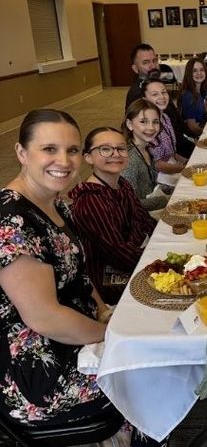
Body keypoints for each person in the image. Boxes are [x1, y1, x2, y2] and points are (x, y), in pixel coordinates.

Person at [0, 110, 118, 428]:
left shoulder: (55, 202)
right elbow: (44, 317)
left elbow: (78, 271)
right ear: (22, 153)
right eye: (49, 149)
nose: (64, 161)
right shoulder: (12, 220)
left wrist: (105, 310)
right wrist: (113, 336)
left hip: (75, 331)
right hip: (40, 368)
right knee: (144, 375)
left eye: (72, 150)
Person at [69, 127, 156, 303]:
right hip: (108, 276)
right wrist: (160, 261)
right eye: (105, 149)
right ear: (88, 157)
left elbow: (143, 218)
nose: (115, 154)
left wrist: (162, 241)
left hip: (134, 253)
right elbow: (117, 253)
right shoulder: (90, 201)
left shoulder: (121, 184)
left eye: (121, 148)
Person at [122, 100, 169, 212]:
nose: (151, 128)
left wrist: (176, 189)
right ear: (129, 125)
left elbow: (152, 184)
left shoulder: (146, 149)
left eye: (155, 122)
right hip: (138, 220)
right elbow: (129, 204)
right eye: (143, 122)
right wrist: (166, 200)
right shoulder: (130, 160)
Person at [141, 77, 187, 182]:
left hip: (172, 165)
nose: (162, 97)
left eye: (164, 92)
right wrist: (183, 169)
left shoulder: (165, 117)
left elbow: (171, 152)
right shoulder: (147, 126)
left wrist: (188, 161)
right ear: (145, 99)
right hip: (159, 176)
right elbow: (156, 164)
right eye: (155, 94)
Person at [179, 55, 207, 138]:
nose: (199, 73)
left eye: (201, 70)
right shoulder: (188, 95)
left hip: (203, 129)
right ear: (189, 74)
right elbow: (192, 127)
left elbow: (202, 112)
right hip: (195, 137)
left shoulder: (199, 91)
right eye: (194, 71)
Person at [125, 43, 159, 108]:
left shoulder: (155, 84)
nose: (153, 66)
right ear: (135, 69)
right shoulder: (138, 94)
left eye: (155, 61)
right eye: (145, 62)